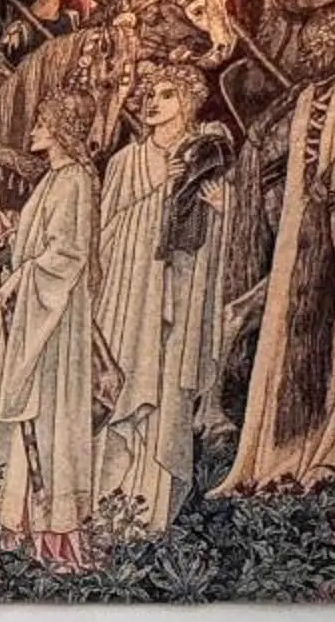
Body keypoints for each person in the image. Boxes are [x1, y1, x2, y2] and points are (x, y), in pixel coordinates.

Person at [94, 64, 234, 535]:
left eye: (167, 94)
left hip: (181, 296)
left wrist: (222, 213)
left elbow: (219, 247)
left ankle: (150, 512)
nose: (153, 102)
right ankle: (105, 506)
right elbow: (105, 237)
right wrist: (159, 192)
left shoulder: (206, 156)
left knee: (168, 391)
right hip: (131, 302)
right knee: (125, 390)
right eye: (149, 94)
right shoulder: (126, 162)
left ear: (189, 100)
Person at [0, 92, 103, 567]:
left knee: (46, 416)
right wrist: (14, 242)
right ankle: (18, 525)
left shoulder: (74, 179)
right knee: (24, 414)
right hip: (33, 314)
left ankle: (52, 535)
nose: (34, 129)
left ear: (62, 128)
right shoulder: (52, 179)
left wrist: (20, 278)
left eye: (43, 122)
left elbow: (67, 253)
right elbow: (41, 244)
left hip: (52, 323)